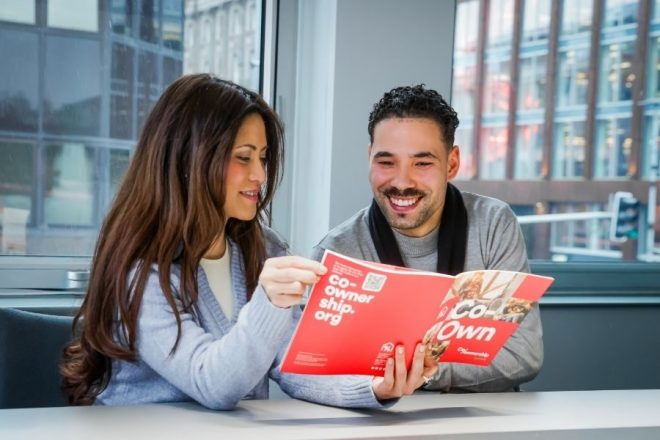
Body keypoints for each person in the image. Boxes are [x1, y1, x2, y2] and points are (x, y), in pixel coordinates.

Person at [60, 74, 434, 410]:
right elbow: (213, 383)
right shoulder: (141, 270)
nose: (259, 175)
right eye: (242, 158)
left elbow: (294, 363)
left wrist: (373, 387)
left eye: (264, 157)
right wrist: (269, 301)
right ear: (190, 159)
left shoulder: (262, 248)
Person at [312, 84, 543, 392]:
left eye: (422, 163)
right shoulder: (337, 252)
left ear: (451, 164)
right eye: (386, 162)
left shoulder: (493, 224)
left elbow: (523, 354)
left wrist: (423, 371)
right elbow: (323, 370)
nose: (402, 182)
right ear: (369, 159)